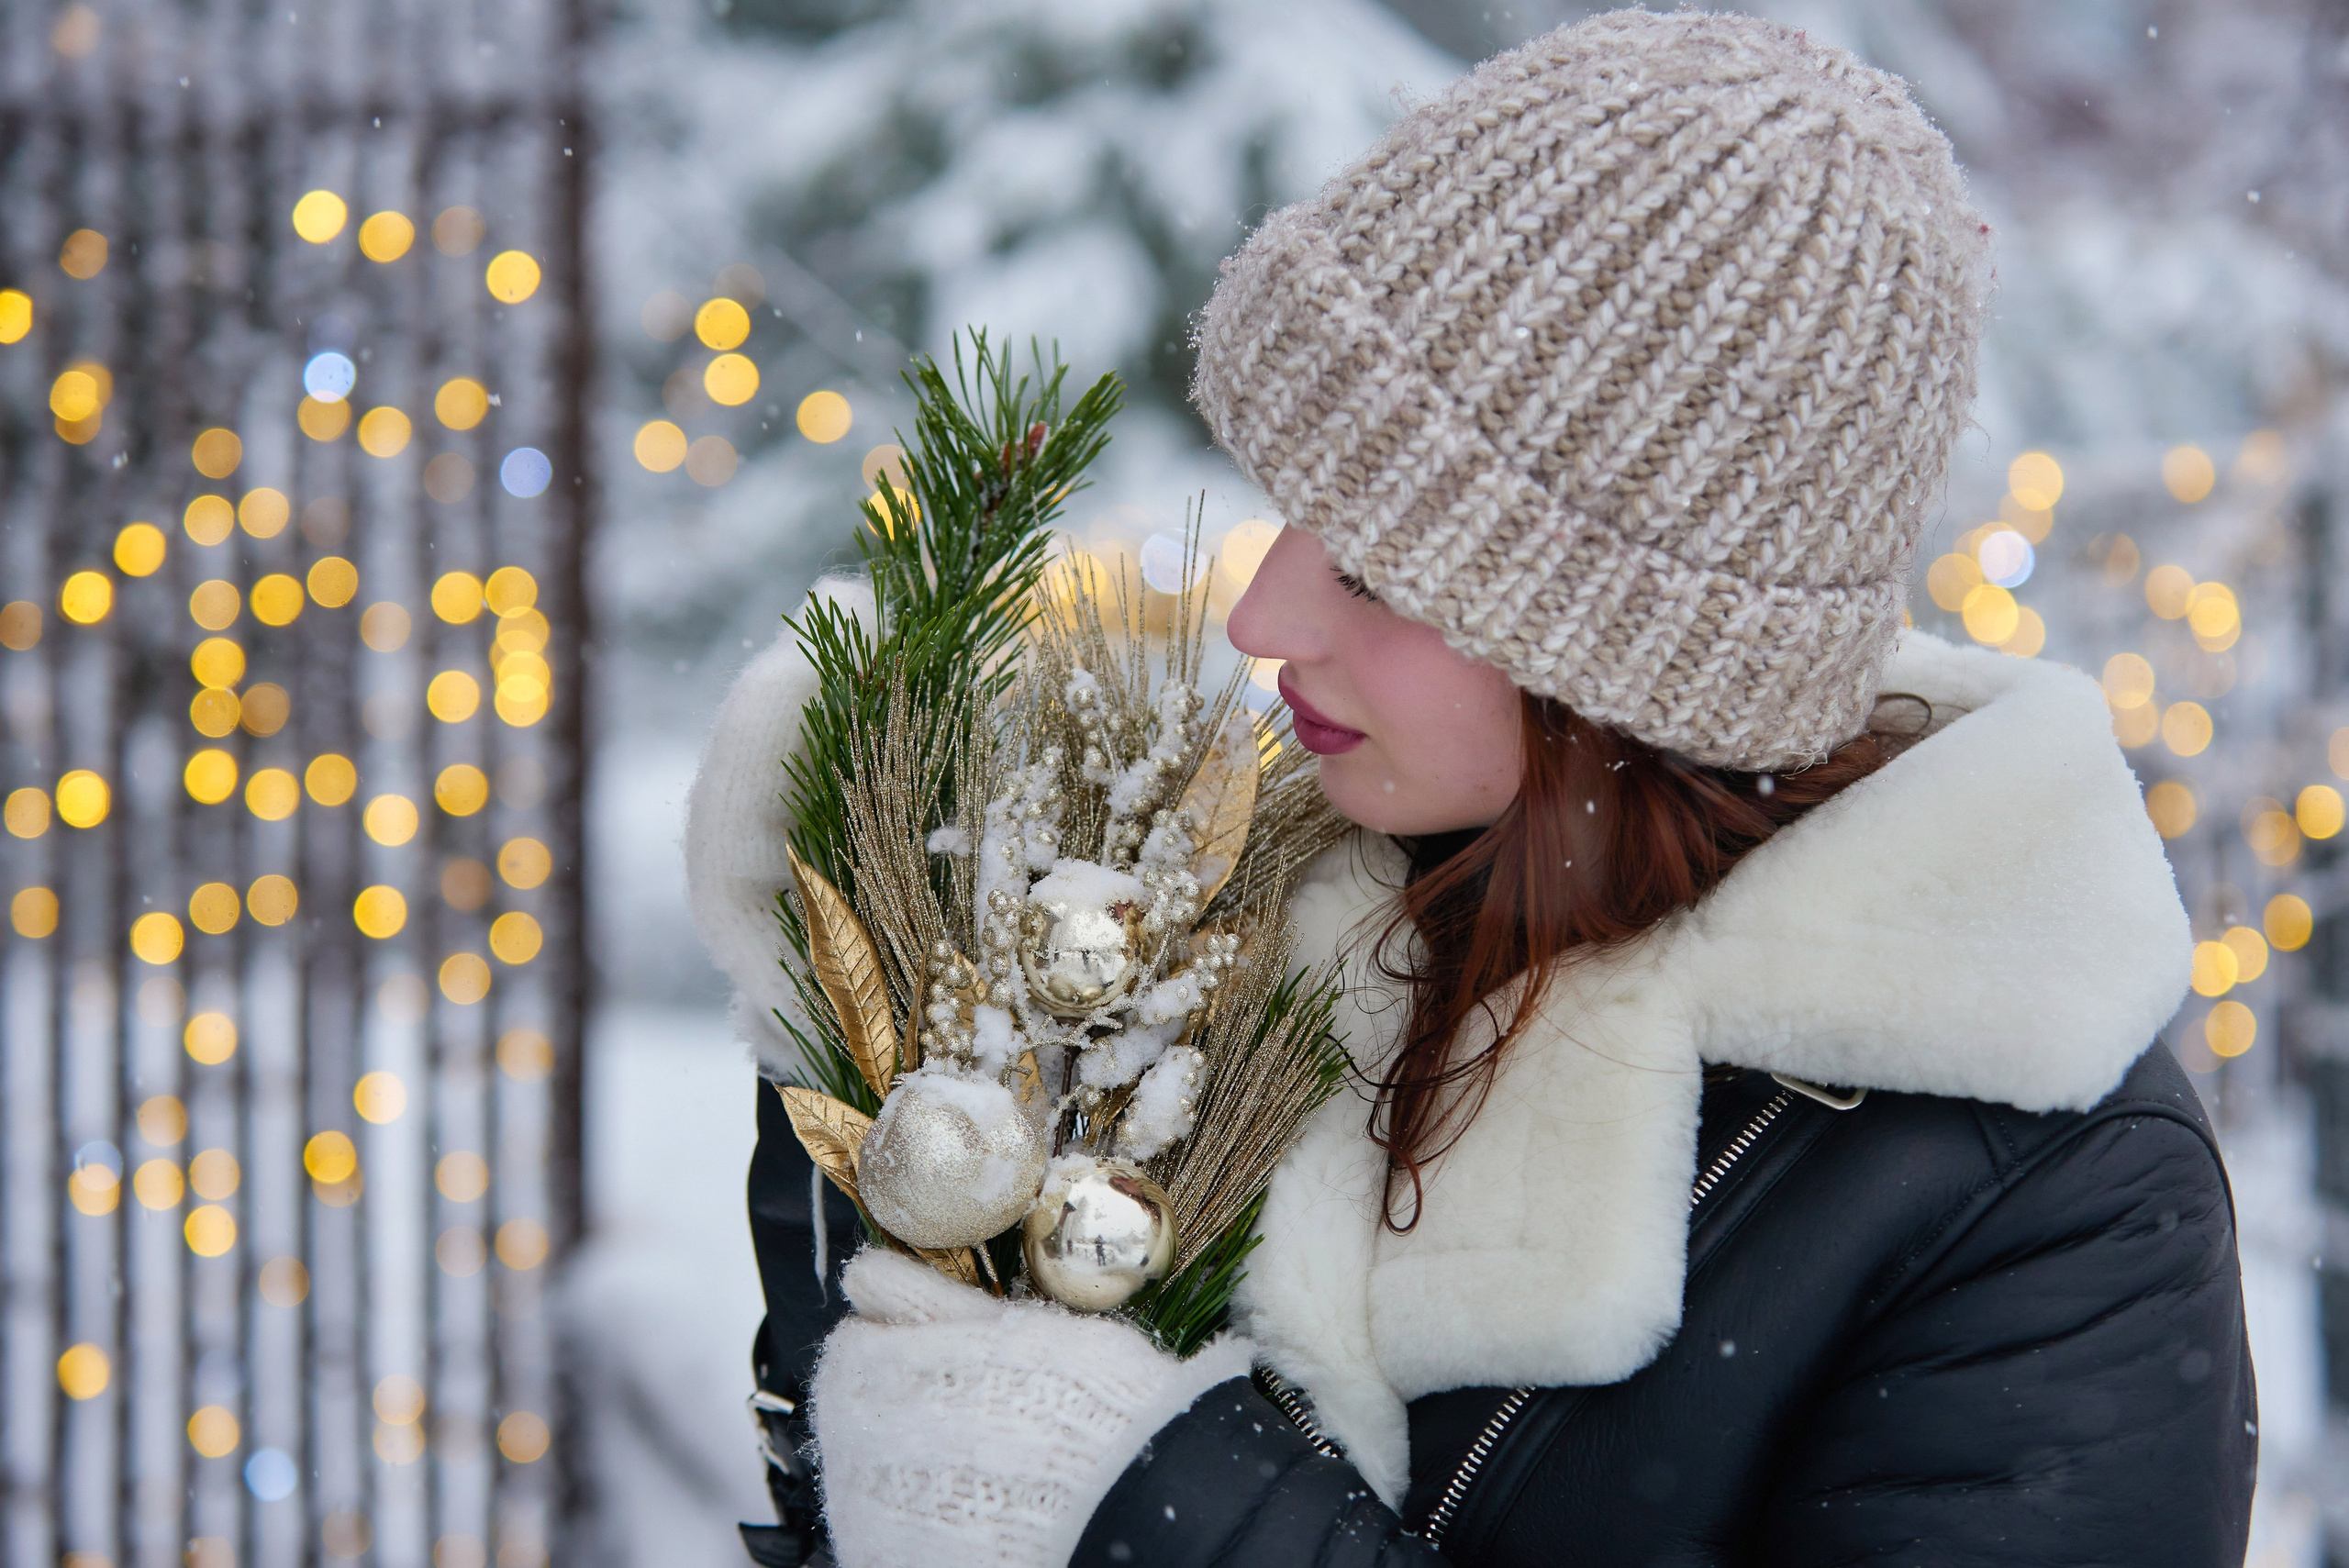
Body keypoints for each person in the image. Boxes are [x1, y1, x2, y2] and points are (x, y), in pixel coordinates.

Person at [687, 11, 2255, 1565]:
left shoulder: (2045, 1202)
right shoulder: (1229, 929)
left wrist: (1167, 1502)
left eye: (1373, 568)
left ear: (1622, 657)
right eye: (1293, 513)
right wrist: (871, 1105)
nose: (1261, 617)